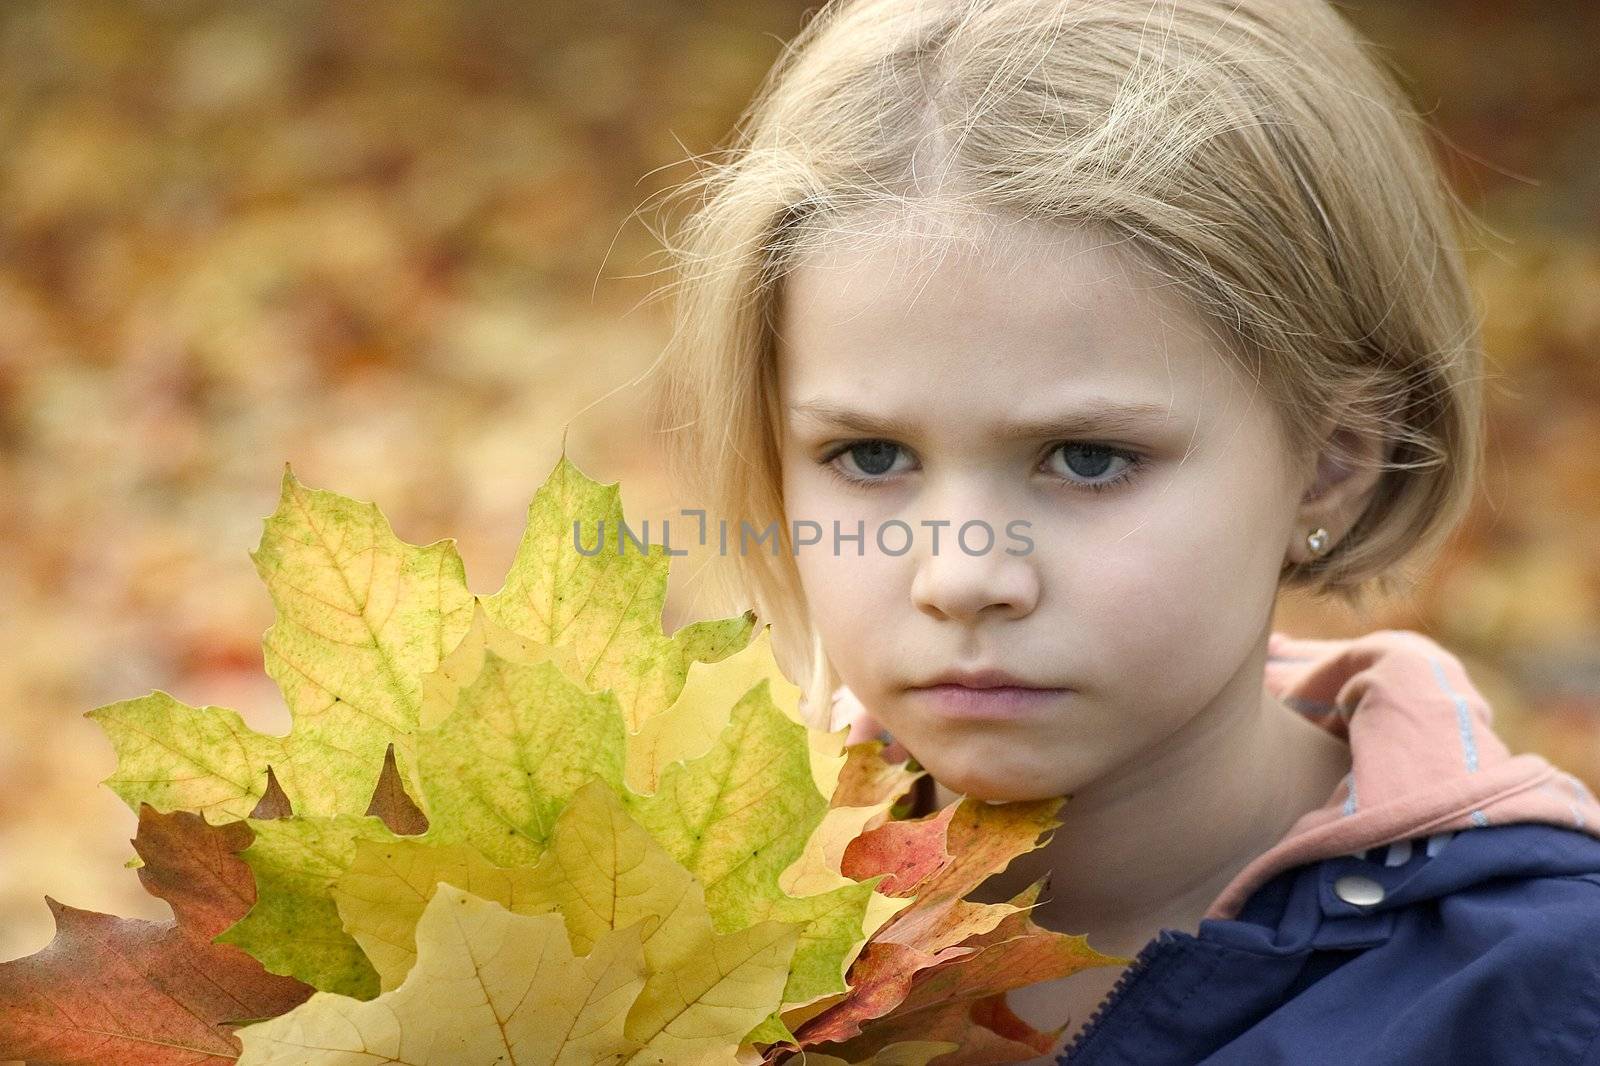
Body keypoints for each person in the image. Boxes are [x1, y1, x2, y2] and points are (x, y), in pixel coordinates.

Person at [642, 0, 1600, 1062]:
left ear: (1331, 465)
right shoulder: (633, 927)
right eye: (870, 456)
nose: (960, 578)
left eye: (1088, 458)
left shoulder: (1532, 996)